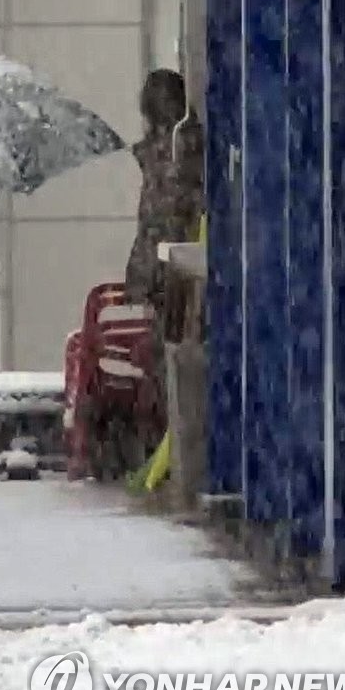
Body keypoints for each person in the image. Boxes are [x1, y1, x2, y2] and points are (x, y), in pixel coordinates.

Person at [124, 69, 205, 449]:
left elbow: (162, 218)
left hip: (173, 270)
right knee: (166, 359)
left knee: (169, 358)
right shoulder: (176, 151)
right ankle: (169, 444)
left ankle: (172, 446)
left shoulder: (173, 154)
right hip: (169, 270)